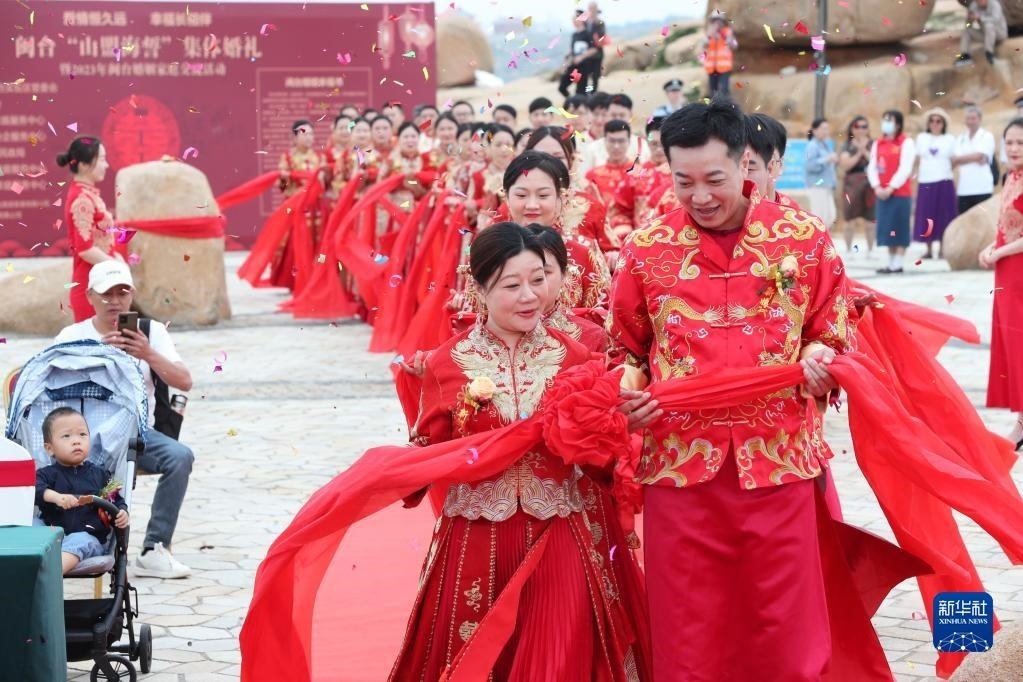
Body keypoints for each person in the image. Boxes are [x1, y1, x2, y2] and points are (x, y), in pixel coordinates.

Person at [607, 98, 851, 681]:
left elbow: (829, 331)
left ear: (745, 163)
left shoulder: (802, 240)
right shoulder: (647, 249)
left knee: (785, 629)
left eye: (714, 179)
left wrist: (819, 363)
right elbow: (624, 350)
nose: (700, 196)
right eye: (683, 181)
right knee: (689, 631)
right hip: (680, 472)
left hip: (778, 464)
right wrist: (627, 395)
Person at [389, 222, 648, 680]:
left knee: (560, 655)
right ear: (479, 289)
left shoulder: (575, 358)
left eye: (538, 280)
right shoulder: (446, 363)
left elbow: (599, 461)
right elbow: (430, 449)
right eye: (512, 285)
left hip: (559, 531)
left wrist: (618, 431)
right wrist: (397, 471)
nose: (530, 296)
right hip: (476, 537)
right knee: (480, 660)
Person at [55, 261, 194, 579]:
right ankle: (83, 545)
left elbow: (185, 381)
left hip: (138, 434)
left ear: (132, 296)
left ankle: (155, 548)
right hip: (87, 437)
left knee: (180, 457)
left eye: (122, 293)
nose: (114, 301)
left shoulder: (151, 332)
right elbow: (50, 385)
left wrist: (147, 353)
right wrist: (94, 356)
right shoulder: (73, 335)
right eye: (106, 294)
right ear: (90, 296)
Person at [36, 407, 130, 575]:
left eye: (82, 435)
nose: (76, 441)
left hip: (87, 537)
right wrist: (56, 497)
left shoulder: (101, 475)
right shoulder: (46, 474)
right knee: (30, 524)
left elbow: (115, 500)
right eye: (66, 436)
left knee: (82, 540)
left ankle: (48, 575)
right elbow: (35, 488)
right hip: (51, 537)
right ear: (49, 448)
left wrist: (122, 512)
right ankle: (27, 564)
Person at [980, 116, 1023, 450]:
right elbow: (1007, 227)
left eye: (1021, 143)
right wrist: (991, 248)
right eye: (1009, 142)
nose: (1014, 148)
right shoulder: (1011, 177)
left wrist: (1000, 252)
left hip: (1018, 270)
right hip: (1007, 271)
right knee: (1012, 344)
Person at [57, 136, 123, 323]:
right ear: (84, 165)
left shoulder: (87, 194)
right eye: (101, 159)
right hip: (91, 286)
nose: (106, 165)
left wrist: (117, 260)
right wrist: (116, 266)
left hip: (101, 282)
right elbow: (85, 249)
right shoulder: (82, 199)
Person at [868, 109, 916, 274]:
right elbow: (872, 167)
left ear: (898, 124)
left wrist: (891, 187)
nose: (886, 123)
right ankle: (891, 262)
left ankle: (898, 262)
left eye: (890, 120)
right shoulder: (878, 143)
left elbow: (905, 168)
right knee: (887, 227)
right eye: (885, 120)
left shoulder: (906, 142)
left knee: (900, 226)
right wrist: (876, 186)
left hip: (900, 193)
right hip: (882, 193)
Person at [914, 108, 957, 259]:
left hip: (944, 180)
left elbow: (953, 160)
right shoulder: (921, 138)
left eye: (938, 121)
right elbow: (917, 159)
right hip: (926, 181)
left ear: (943, 124)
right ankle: (928, 249)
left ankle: (942, 249)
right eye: (932, 121)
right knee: (927, 215)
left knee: (944, 215)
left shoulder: (949, 139)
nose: (935, 124)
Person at [838, 116, 876, 254]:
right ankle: (848, 250)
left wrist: (863, 149)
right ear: (852, 128)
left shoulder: (873, 144)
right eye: (857, 126)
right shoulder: (847, 145)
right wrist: (859, 152)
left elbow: (876, 162)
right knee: (849, 220)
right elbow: (845, 165)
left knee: (870, 221)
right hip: (852, 184)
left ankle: (870, 250)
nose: (861, 129)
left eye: (864, 126)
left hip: (870, 183)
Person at [953, 105, 996, 214]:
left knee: (984, 221)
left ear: (980, 119)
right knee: (965, 222)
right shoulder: (961, 138)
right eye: (968, 118)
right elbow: (955, 160)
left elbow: (979, 156)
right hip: (964, 189)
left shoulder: (987, 136)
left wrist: (962, 159)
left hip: (983, 188)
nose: (970, 121)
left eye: (973, 118)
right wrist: (975, 157)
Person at [585, 119, 633, 202]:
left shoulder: (640, 174)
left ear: (629, 142)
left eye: (621, 141)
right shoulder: (593, 176)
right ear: (604, 142)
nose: (616, 146)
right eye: (612, 141)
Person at [803, 117, 838, 229]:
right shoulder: (812, 145)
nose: (825, 132)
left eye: (827, 129)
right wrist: (827, 159)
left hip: (827, 185)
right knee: (820, 217)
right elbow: (810, 165)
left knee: (830, 216)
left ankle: (824, 238)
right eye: (823, 129)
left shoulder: (825, 145)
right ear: (814, 130)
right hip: (817, 185)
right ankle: (819, 239)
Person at [559, 9, 600, 97]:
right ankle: (571, 101)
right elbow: (572, 50)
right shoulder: (574, 35)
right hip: (573, 66)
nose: (573, 19)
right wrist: (565, 63)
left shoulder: (588, 33)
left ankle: (579, 103)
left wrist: (582, 57)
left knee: (580, 92)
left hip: (584, 66)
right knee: (562, 87)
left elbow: (594, 49)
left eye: (576, 17)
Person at [956, 0, 1007, 66]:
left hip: (999, 33)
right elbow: (968, 25)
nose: (979, 2)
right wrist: (969, 20)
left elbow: (995, 19)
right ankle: (965, 55)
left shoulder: (994, 4)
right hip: (985, 35)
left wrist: (980, 18)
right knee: (967, 31)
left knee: (989, 25)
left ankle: (989, 53)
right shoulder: (973, 6)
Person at [699, 11, 738, 97]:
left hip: (724, 67)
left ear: (723, 22)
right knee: (713, 92)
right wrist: (710, 35)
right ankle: (714, 105)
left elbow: (735, 45)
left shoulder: (727, 32)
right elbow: (703, 45)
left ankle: (726, 105)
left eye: (719, 20)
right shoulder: (709, 34)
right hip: (711, 68)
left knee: (724, 90)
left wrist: (724, 36)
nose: (717, 23)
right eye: (715, 20)